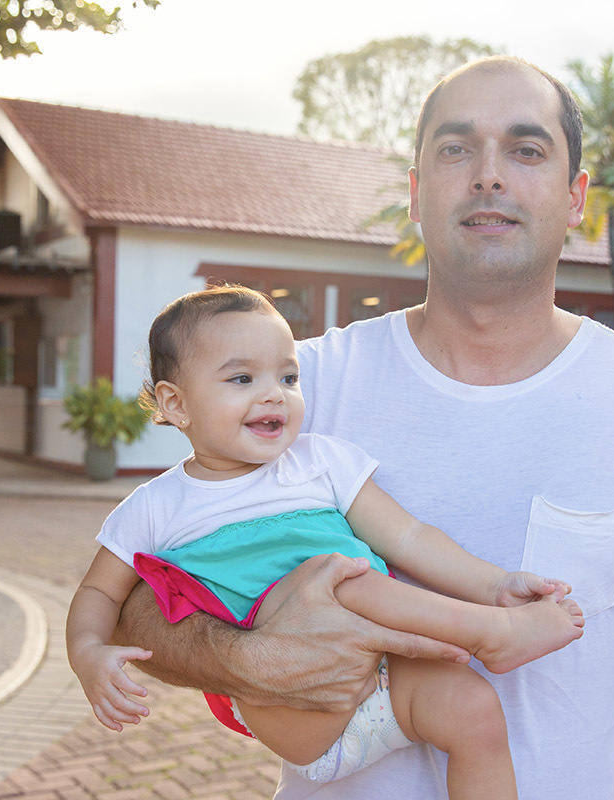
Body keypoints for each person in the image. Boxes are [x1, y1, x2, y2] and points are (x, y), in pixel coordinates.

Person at [112, 56, 614, 799]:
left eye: (526, 149)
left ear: (576, 198)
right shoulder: (295, 392)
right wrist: (243, 660)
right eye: (455, 148)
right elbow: (134, 600)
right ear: (416, 193)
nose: (488, 175)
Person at [66, 285, 586, 799]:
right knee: (339, 578)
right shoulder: (156, 505)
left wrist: (496, 585)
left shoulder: (321, 461)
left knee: (476, 712)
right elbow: (99, 593)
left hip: (389, 677)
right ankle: (493, 636)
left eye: (288, 377)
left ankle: (493, 621)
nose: (274, 393)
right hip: (291, 705)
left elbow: (409, 537)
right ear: (176, 403)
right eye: (242, 378)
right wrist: (87, 653)